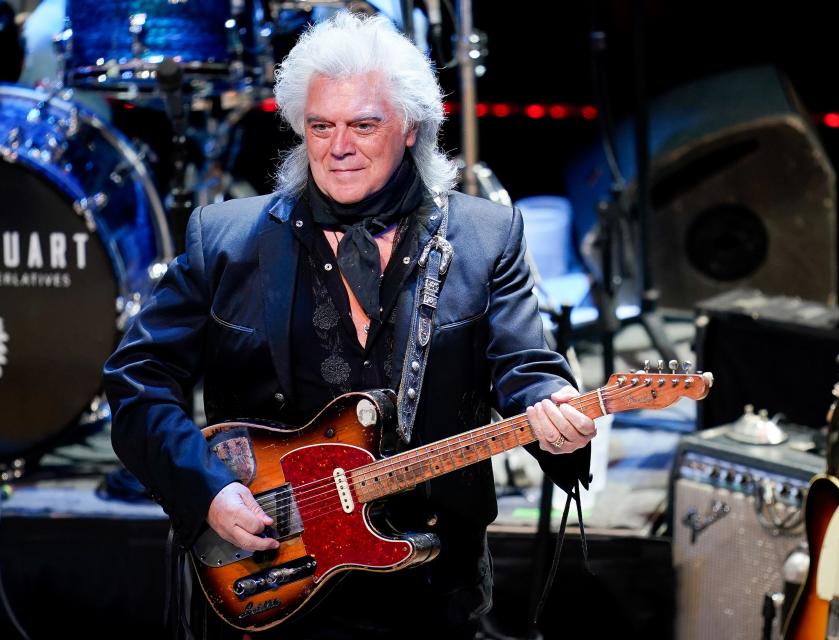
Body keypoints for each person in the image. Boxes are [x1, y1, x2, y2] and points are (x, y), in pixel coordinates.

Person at [103, 11, 593, 639]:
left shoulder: (485, 237)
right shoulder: (225, 240)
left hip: (432, 581)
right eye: (320, 126)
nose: (338, 147)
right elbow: (136, 381)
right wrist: (205, 491)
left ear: (411, 127)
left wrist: (551, 410)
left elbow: (525, 367)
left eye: (364, 125)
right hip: (265, 570)